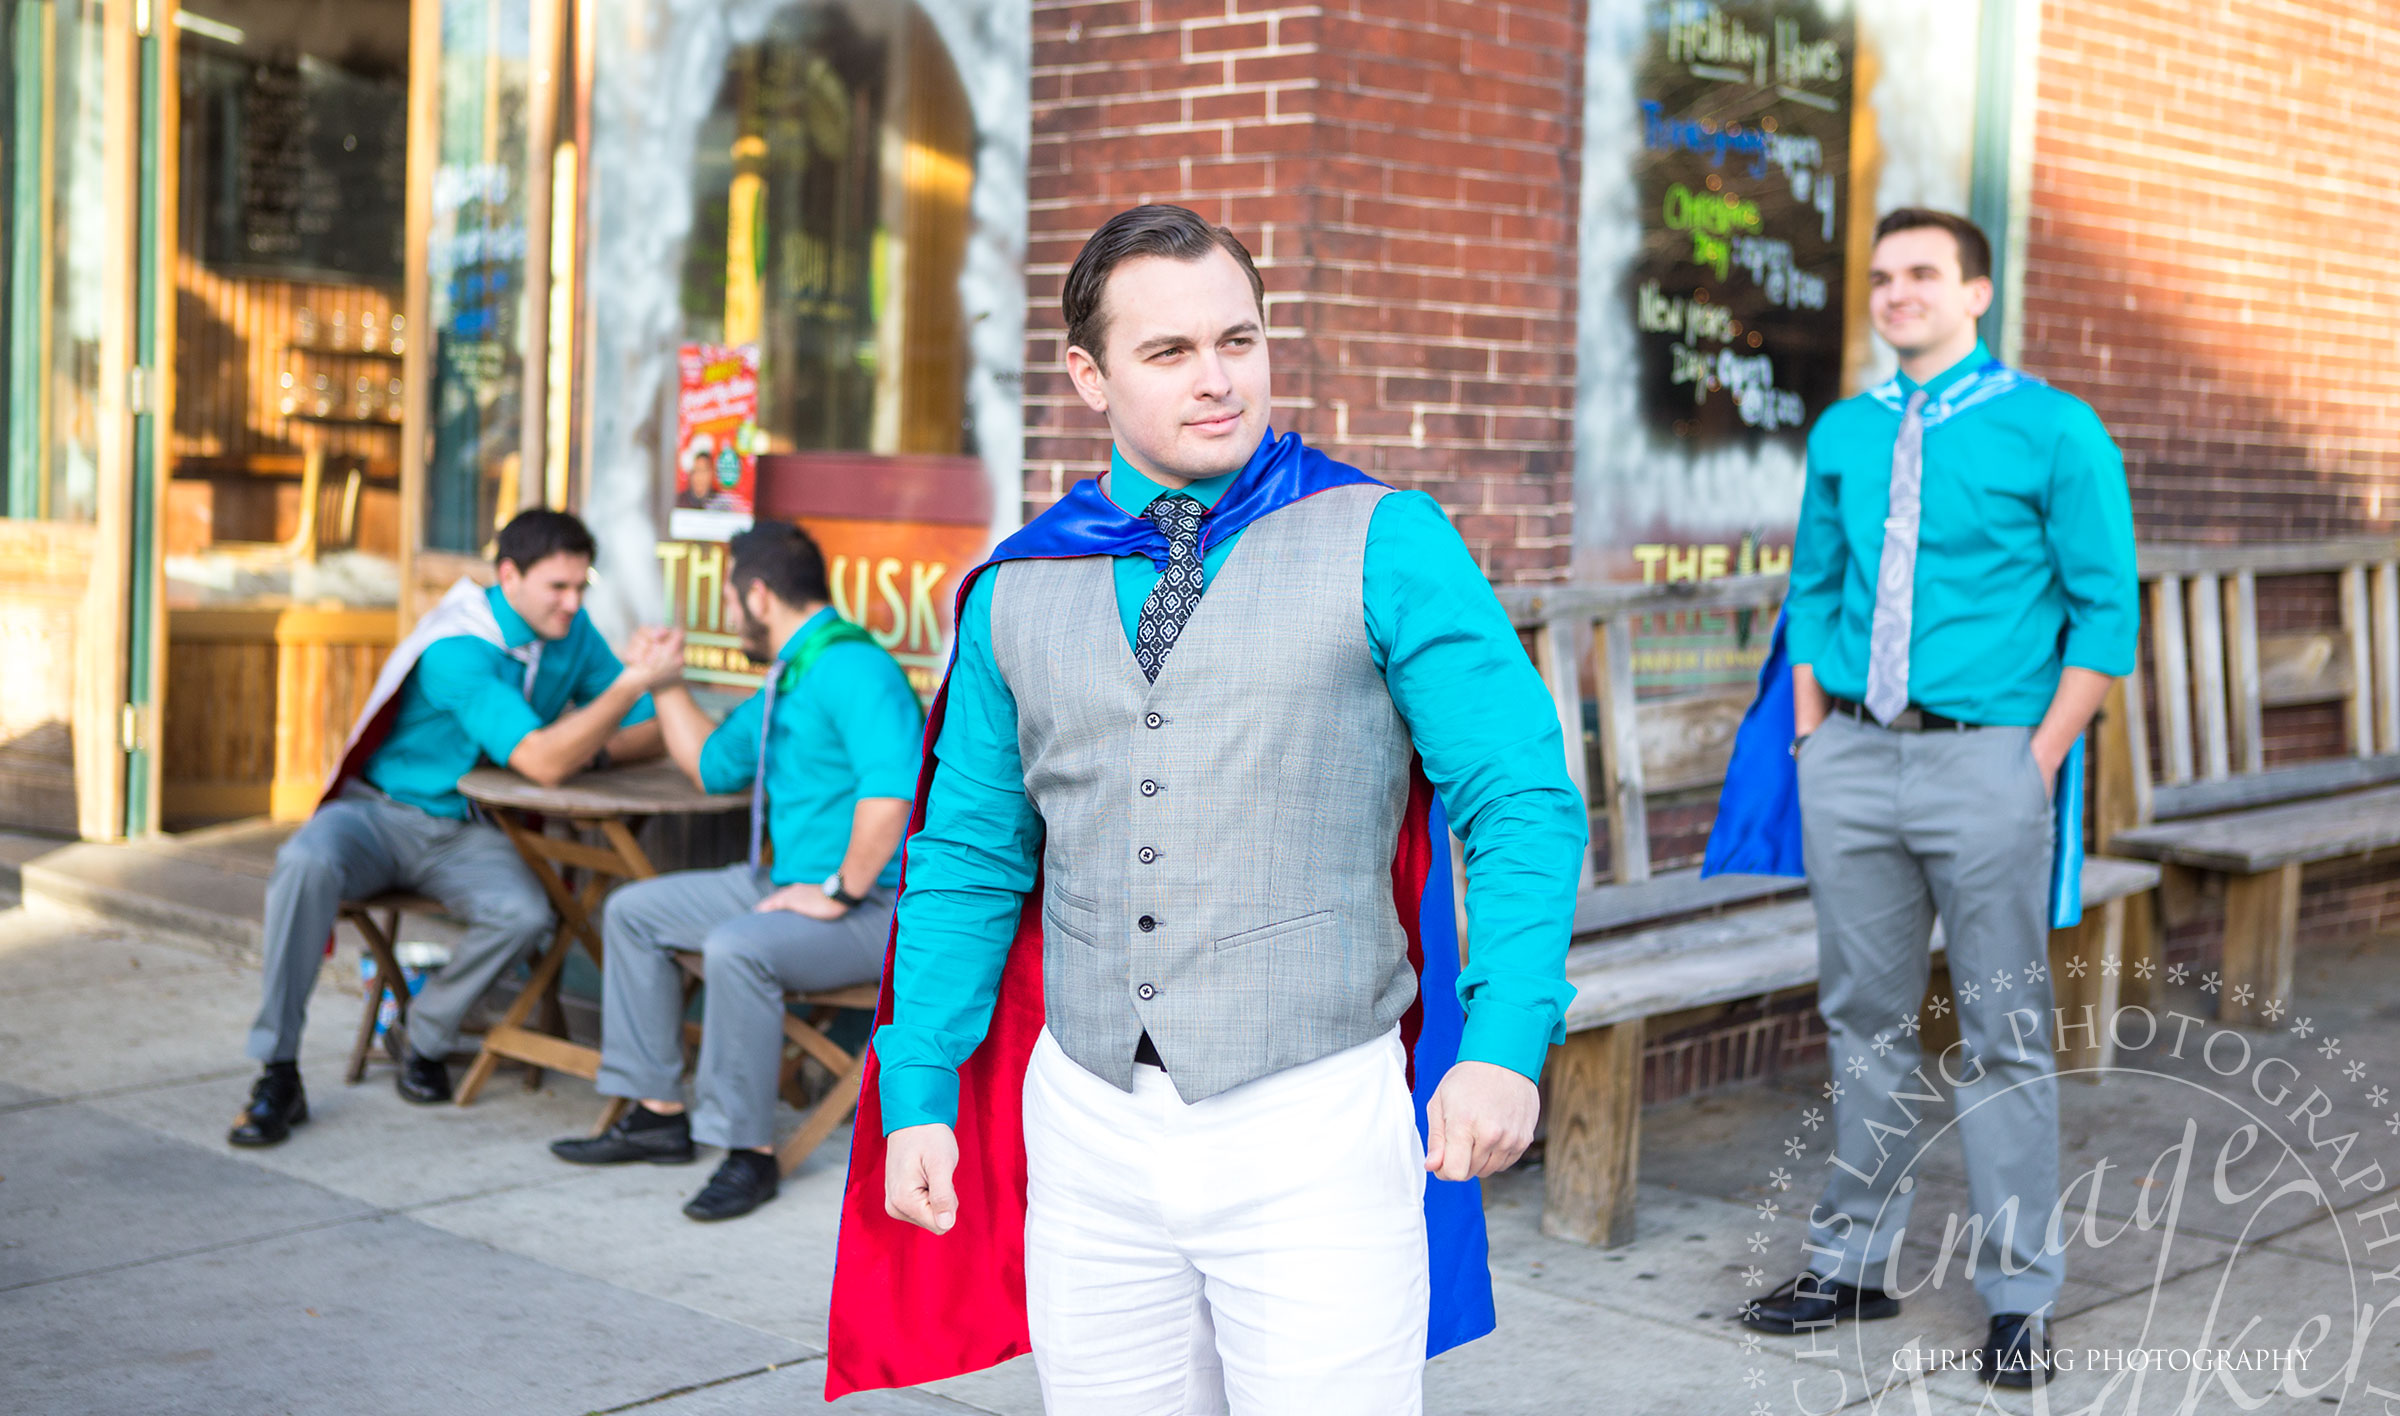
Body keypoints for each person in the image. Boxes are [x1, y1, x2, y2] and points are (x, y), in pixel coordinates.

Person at [825, 204, 1586, 1412]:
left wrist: (1503, 1039)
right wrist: (918, 1086)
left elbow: (1520, 800)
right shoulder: (1020, 586)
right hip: (1082, 1123)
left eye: (1239, 341)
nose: (1218, 379)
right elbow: (966, 856)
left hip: (1312, 1119)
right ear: (1088, 373)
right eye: (1170, 352)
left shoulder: (1385, 540)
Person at [1742, 209, 2139, 1388]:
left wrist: (2037, 757)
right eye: (1880, 277)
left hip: (1988, 762)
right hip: (1856, 762)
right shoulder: (1846, 434)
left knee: (2004, 1032)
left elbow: (2105, 611)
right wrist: (1813, 730)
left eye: (1922, 274)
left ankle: (2020, 1297)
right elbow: (1814, 588)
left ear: (1977, 292)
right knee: (1863, 1019)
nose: (1896, 292)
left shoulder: (2054, 428)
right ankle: (1851, 1259)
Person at [230, 510, 682, 1146]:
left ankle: (421, 1032)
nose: (574, 602)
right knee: (304, 865)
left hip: (469, 833)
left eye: (582, 587)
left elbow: (653, 728)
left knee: (525, 914)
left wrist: (597, 742)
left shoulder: (570, 632)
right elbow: (546, 761)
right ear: (509, 575)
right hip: (378, 815)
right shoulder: (458, 647)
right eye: (558, 587)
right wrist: (619, 699)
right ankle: (277, 1070)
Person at [548, 520, 923, 1222]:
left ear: (756, 596)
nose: (726, 615)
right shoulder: (793, 671)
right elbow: (711, 764)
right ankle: (657, 1111)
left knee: (738, 948)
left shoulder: (852, 666)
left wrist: (839, 890)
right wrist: (665, 684)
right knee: (634, 912)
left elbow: (893, 793)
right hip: (786, 884)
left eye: (728, 599)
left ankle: (747, 1152)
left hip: (878, 904)